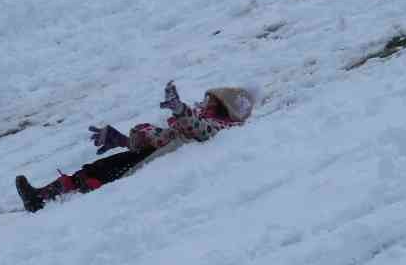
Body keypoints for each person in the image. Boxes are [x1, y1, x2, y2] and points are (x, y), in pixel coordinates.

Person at [15, 81, 255, 212]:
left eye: (211, 101)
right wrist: (122, 140)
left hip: (151, 164)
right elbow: (164, 138)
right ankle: (41, 197)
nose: (204, 102)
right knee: (95, 168)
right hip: (148, 155)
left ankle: (65, 204)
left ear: (224, 109)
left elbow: (198, 129)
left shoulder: (219, 128)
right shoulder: (193, 122)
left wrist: (181, 110)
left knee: (104, 178)